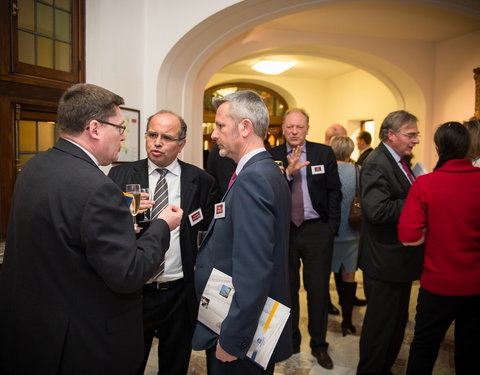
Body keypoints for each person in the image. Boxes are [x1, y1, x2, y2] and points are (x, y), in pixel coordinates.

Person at [0, 83, 183, 375]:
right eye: (120, 128)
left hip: (34, 329)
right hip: (81, 341)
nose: (123, 137)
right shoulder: (98, 188)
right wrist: (162, 225)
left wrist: (118, 230)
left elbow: (64, 237)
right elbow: (129, 274)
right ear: (95, 128)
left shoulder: (34, 167)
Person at [108, 110, 216, 375]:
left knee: (175, 364)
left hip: (179, 292)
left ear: (181, 144)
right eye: (152, 135)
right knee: (129, 363)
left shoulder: (201, 181)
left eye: (166, 137)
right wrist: (127, 215)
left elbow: (209, 234)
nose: (157, 142)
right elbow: (106, 230)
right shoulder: (119, 176)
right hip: (136, 293)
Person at [192, 91, 292, 375]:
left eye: (221, 126)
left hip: (241, 333)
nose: (213, 135)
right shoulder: (265, 171)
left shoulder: (254, 179)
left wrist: (232, 338)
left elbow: (254, 270)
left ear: (245, 127)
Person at [398, 121, 480, 374]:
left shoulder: (426, 184)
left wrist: (429, 232)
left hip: (438, 284)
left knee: (424, 347)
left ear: (438, 148)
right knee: (471, 350)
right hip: (476, 285)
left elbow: (407, 236)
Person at [270, 109, 341, 369]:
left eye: (299, 126)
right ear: (283, 129)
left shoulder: (324, 153)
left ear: (308, 128)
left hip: (316, 230)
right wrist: (287, 173)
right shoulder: (272, 156)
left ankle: (319, 345)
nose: (294, 131)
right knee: (287, 288)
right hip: (286, 230)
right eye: (290, 127)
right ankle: (291, 340)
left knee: (318, 290)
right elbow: (268, 193)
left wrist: (331, 227)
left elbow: (335, 191)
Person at [357, 110, 424, 375]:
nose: (416, 140)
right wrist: (418, 200)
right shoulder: (377, 162)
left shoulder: (398, 160)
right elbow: (377, 211)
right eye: (411, 134)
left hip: (398, 260)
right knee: (380, 328)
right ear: (391, 135)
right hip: (384, 260)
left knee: (396, 324)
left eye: (416, 134)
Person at [329, 135, 361, 337]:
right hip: (353, 233)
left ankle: (330, 309)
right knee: (349, 275)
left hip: (331, 234)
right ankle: (347, 321)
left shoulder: (328, 171)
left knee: (328, 274)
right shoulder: (359, 171)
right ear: (350, 150)